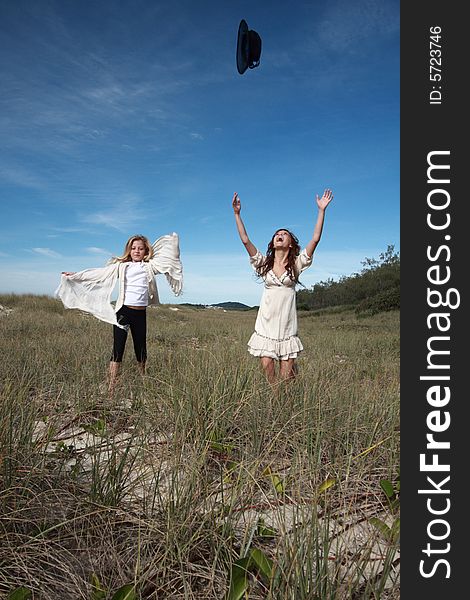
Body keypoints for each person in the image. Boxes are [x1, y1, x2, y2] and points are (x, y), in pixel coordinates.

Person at [56, 232, 183, 394]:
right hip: (123, 312)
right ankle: (111, 387)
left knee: (141, 348)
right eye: (133, 248)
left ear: (146, 251)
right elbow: (98, 274)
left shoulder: (150, 266)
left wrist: (174, 243)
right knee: (118, 349)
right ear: (129, 250)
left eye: (140, 248)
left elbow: (170, 261)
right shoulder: (122, 266)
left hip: (140, 314)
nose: (137, 251)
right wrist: (76, 275)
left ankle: (143, 381)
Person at [232, 190, 333, 383]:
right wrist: (237, 214)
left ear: (290, 243)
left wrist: (321, 210)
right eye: (277, 234)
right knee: (269, 373)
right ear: (273, 242)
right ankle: (274, 404)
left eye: (284, 234)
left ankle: (286, 404)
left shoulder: (296, 264)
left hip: (287, 328)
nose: (280, 235)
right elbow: (245, 240)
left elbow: (315, 239)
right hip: (266, 327)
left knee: (286, 380)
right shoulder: (263, 264)